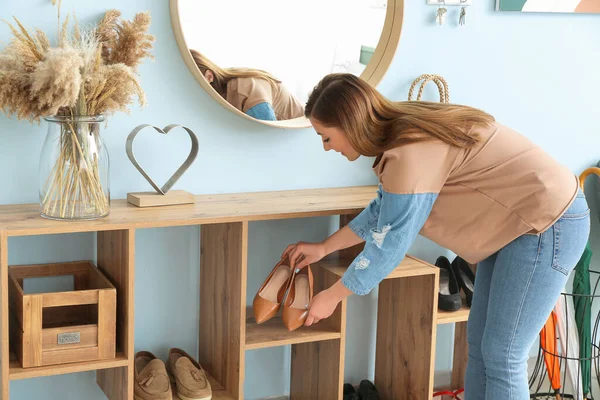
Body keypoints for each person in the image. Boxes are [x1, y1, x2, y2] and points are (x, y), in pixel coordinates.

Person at [282, 73, 590, 399]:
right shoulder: (403, 135)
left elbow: (390, 244)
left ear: (349, 123)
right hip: (516, 226)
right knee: (482, 345)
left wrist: (331, 297)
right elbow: (384, 213)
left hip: (548, 222)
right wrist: (325, 247)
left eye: (326, 137)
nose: (326, 148)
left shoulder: (410, 151)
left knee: (504, 353)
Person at [189, 49, 304, 121]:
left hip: (305, 135)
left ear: (209, 76)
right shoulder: (222, 96)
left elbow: (265, 136)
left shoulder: (245, 88)